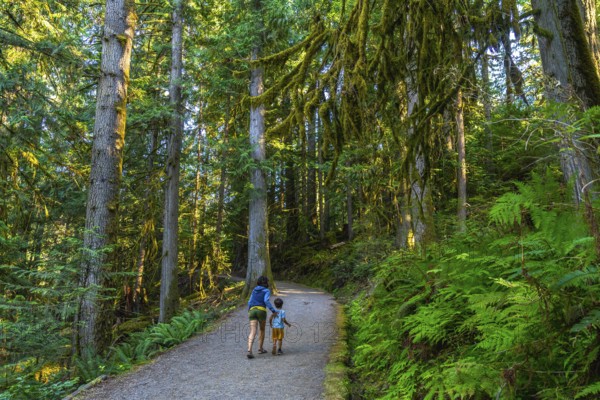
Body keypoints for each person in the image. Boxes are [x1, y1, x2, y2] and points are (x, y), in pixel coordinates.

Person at [247, 276, 278, 359]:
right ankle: (260, 349)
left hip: (252, 311)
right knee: (262, 330)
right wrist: (273, 310)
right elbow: (266, 301)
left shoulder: (254, 290)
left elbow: (249, 301)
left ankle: (249, 350)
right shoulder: (266, 290)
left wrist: (249, 310)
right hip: (261, 311)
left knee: (252, 331)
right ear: (266, 283)